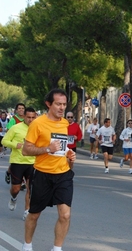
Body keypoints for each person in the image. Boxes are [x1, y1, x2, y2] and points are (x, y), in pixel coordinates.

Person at [21, 88, 76, 251]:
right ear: (48, 104)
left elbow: (62, 149)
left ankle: (57, 248)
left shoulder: (65, 123)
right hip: (42, 175)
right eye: (58, 104)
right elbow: (26, 150)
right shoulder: (37, 124)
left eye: (64, 105)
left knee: (65, 215)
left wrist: (69, 156)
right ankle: (27, 245)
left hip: (63, 174)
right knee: (34, 214)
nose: (61, 108)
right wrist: (47, 149)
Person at [1, 107, 37, 221]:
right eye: (28, 117)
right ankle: (13, 198)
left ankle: (27, 210)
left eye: (33, 117)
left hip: (32, 162)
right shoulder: (16, 128)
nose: (31, 120)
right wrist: (15, 145)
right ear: (24, 117)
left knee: (30, 188)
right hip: (17, 162)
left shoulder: (38, 129)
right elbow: (4, 141)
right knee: (16, 189)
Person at [5, 104, 25, 184]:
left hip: (25, 142)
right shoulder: (13, 119)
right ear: (16, 110)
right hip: (15, 144)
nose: (21, 110)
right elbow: (8, 132)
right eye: (19, 108)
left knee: (24, 160)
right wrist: (13, 142)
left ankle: (9, 172)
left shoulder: (27, 119)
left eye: (23, 108)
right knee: (17, 161)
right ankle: (20, 179)